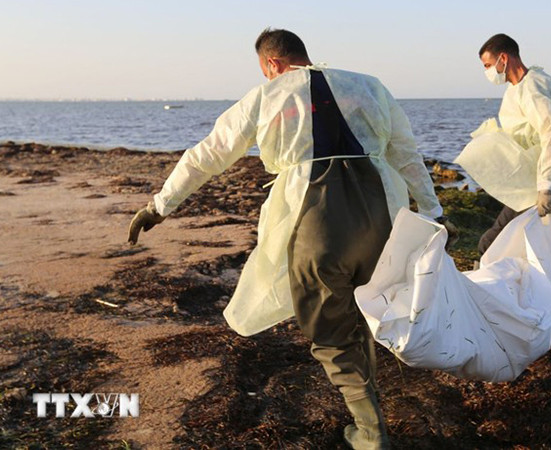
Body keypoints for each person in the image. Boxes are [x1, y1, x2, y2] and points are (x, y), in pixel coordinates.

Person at [127, 28, 456, 449]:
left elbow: (206, 156)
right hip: (382, 215)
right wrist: (433, 211)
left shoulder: (267, 96)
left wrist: (159, 206)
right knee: (366, 312)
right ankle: (370, 413)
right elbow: (406, 153)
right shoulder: (368, 85)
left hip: (316, 219)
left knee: (329, 330)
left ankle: (371, 432)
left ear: (271, 65)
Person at [476, 33, 551, 344]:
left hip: (539, 187)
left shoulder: (532, 89)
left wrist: (547, 186)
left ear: (504, 58)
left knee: (493, 245)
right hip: (527, 184)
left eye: (489, 64)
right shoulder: (519, 89)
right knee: (546, 253)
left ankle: (491, 313)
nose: (488, 72)